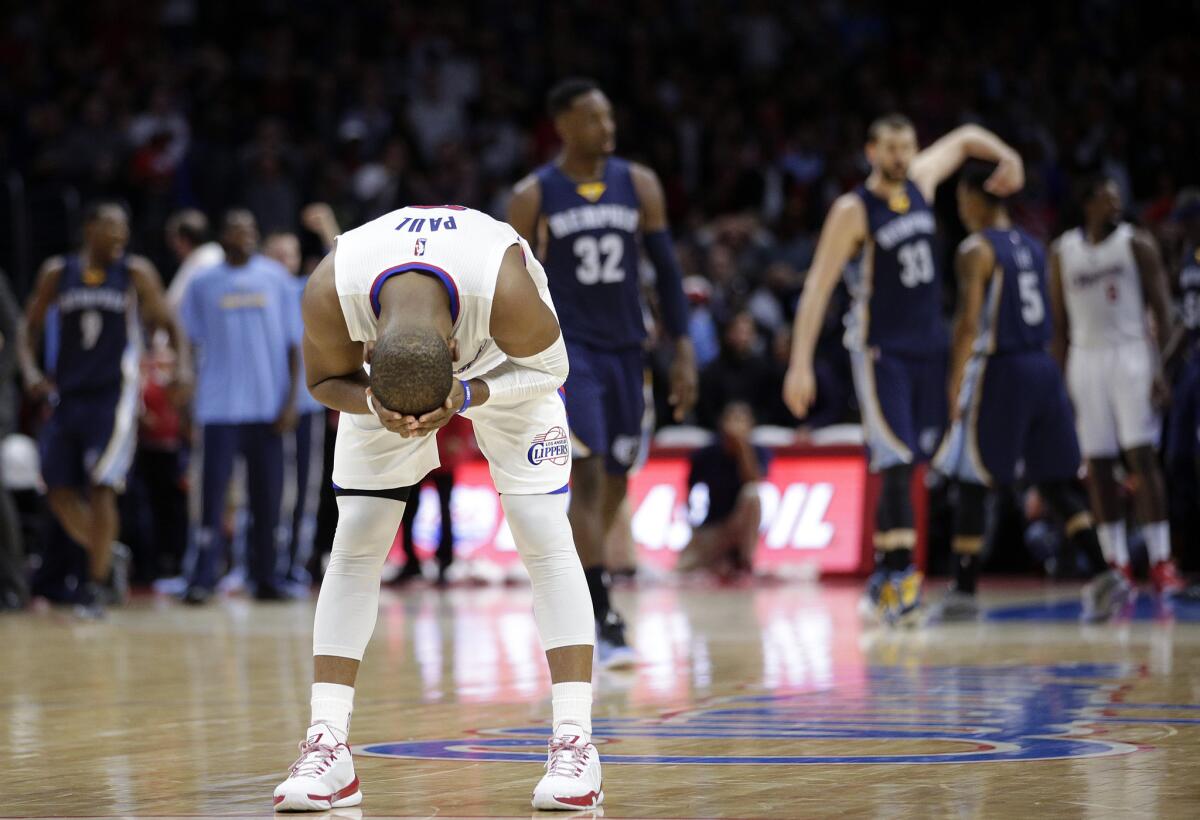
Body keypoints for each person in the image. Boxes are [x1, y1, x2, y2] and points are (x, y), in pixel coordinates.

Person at [273, 205, 602, 811]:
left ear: (454, 346)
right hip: (385, 383)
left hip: (510, 366)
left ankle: (575, 744)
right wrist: (374, 402)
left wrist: (472, 391)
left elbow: (554, 367)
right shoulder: (330, 287)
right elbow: (324, 383)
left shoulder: (503, 285)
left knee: (541, 533)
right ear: (366, 340)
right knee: (356, 543)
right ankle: (328, 746)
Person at [782, 114, 1024, 624]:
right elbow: (817, 289)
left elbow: (963, 139)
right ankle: (900, 581)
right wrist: (800, 364)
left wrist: (1007, 156)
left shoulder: (921, 181)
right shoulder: (853, 209)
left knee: (920, 461)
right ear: (871, 151)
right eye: (890, 148)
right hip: (881, 352)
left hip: (930, 348)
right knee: (894, 462)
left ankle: (885, 579)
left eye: (907, 146)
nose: (900, 156)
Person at [508, 77, 697, 667]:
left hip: (629, 349)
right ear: (562, 125)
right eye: (593, 119)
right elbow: (512, 282)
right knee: (587, 474)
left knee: (619, 473)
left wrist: (684, 348)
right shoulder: (533, 194)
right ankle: (602, 611)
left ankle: (578, 575)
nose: (607, 129)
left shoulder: (639, 183)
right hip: (573, 352)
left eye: (610, 118)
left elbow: (667, 272)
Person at [932, 161, 1125, 622]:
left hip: (1003, 368)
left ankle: (962, 592)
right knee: (1056, 482)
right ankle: (1103, 576)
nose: (961, 210)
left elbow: (967, 324)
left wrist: (954, 380)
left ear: (979, 199)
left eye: (962, 201)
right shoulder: (1034, 245)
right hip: (1042, 368)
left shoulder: (976, 249)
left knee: (973, 478)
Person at [21, 202, 191, 615]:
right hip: (67, 395)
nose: (120, 236)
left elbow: (171, 326)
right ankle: (107, 552)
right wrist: (30, 373)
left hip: (113, 398)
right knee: (57, 489)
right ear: (90, 229)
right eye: (112, 228)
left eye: (124, 229)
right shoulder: (58, 273)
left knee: (101, 487)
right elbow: (29, 327)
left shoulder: (135, 273)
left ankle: (96, 587)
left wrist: (182, 371)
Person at [1050, 177, 1184, 595]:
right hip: (1085, 359)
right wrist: (1059, 380)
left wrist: (1160, 369)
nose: (1115, 205)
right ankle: (1116, 563)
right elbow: (1059, 325)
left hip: (1130, 353)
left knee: (1142, 458)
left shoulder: (1136, 243)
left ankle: (1161, 560)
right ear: (1087, 203)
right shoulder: (1062, 252)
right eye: (1107, 198)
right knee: (1099, 466)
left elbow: (1163, 309)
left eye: (1117, 198)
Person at [178, 209, 301, 604]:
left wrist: (291, 401)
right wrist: (186, 390)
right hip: (218, 409)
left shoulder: (276, 279)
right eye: (235, 229)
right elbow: (188, 340)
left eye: (249, 229)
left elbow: (294, 344)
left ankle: (266, 577)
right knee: (212, 500)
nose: (243, 235)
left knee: (268, 500)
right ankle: (203, 577)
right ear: (222, 235)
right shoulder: (202, 283)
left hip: (268, 408)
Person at [264, 229, 325, 584]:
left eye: (290, 255)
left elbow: (345, 267)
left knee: (304, 490)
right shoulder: (257, 292)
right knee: (269, 492)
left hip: (306, 405)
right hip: (265, 408)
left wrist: (325, 226)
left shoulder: (307, 290)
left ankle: (294, 565)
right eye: (277, 255)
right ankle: (259, 563)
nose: (284, 262)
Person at [678, 402, 768, 576]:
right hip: (715, 528)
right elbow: (689, 492)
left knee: (752, 495)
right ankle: (720, 560)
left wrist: (742, 447)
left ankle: (745, 561)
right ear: (722, 424)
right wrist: (694, 530)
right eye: (732, 419)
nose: (736, 425)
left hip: (740, 526)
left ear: (751, 425)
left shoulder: (759, 451)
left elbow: (754, 480)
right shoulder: (706, 454)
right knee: (680, 570)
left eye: (742, 420)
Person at [394, 413, 475, 586]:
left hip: (442, 452)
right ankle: (411, 560)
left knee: (444, 509)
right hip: (415, 452)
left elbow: (458, 404)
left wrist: (458, 437)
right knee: (409, 509)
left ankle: (445, 561)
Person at [164, 209, 224, 307]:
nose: (172, 245)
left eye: (173, 238)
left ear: (184, 240)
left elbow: (175, 304)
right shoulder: (215, 253)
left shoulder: (204, 261)